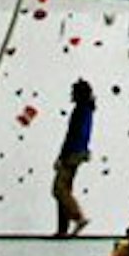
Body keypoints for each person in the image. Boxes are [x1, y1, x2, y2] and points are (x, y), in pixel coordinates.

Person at [51, 79, 94, 237]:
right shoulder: (87, 109)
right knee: (64, 189)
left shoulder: (81, 110)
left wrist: (62, 156)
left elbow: (72, 135)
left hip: (72, 153)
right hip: (78, 152)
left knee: (59, 189)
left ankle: (78, 217)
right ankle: (63, 228)